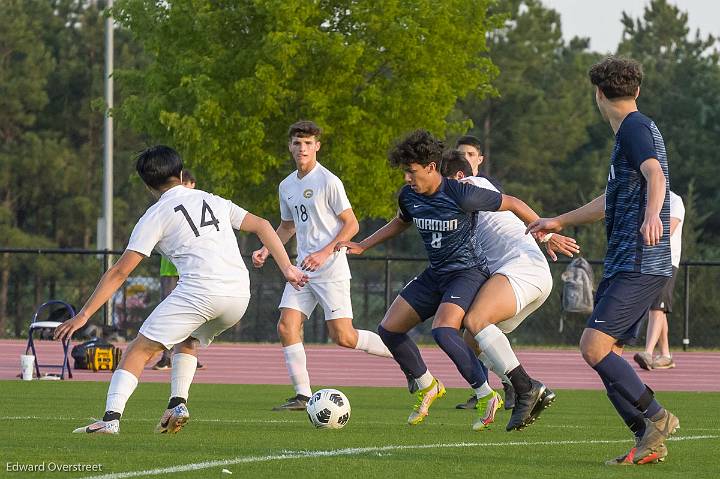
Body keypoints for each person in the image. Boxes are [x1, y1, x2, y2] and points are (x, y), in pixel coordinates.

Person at [55, 145, 308, 434]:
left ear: (148, 185)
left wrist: (84, 315)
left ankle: (110, 419)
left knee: (138, 350)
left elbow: (120, 271)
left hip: (201, 292)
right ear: (179, 172)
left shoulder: (155, 214)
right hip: (238, 295)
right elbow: (263, 225)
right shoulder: (213, 200)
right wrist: (288, 268)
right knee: (188, 340)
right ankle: (177, 402)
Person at [338, 129, 554, 431]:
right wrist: (363, 244)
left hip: (468, 272)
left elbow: (514, 202)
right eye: (405, 172)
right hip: (436, 273)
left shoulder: (460, 192)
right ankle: (428, 386)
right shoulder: (409, 195)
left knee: (443, 330)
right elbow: (400, 222)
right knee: (389, 328)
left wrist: (547, 232)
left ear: (431, 166)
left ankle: (485, 394)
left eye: (412, 172)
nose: (407, 179)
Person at [528, 56, 679, 465]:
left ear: (598, 93)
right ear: (637, 90)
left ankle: (656, 418)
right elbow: (610, 200)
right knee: (602, 350)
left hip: (639, 260)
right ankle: (648, 437)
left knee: (593, 347)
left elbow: (657, 175)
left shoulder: (634, 127)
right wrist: (560, 219)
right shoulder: (632, 132)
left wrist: (652, 215)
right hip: (625, 261)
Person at [252, 120, 394, 412]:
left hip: (330, 269)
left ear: (317, 146)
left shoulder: (329, 181)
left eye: (307, 143)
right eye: (296, 143)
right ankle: (303, 396)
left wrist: (325, 251)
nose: (301, 148)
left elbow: (351, 224)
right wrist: (267, 248)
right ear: (290, 146)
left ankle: (404, 356)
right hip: (302, 271)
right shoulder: (287, 185)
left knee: (344, 337)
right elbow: (287, 226)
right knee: (286, 325)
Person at [441, 152, 578, 421]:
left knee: (476, 320)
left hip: (522, 268)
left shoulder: (470, 185)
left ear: (458, 176)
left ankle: (526, 388)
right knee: (471, 342)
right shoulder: (465, 195)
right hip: (525, 274)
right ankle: (527, 387)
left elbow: (514, 202)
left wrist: (547, 233)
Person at [152, 169, 204, 371]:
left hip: (190, 271)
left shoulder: (199, 206)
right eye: (184, 185)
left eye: (190, 185)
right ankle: (166, 356)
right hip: (170, 271)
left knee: (192, 314)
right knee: (168, 312)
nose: (187, 189)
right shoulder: (168, 207)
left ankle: (189, 354)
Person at [634, 191, 685, 370]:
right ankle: (665, 355)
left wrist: (646, 228)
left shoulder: (675, 201)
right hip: (648, 261)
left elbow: (667, 231)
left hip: (667, 261)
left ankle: (648, 352)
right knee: (657, 307)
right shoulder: (645, 199)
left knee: (656, 307)